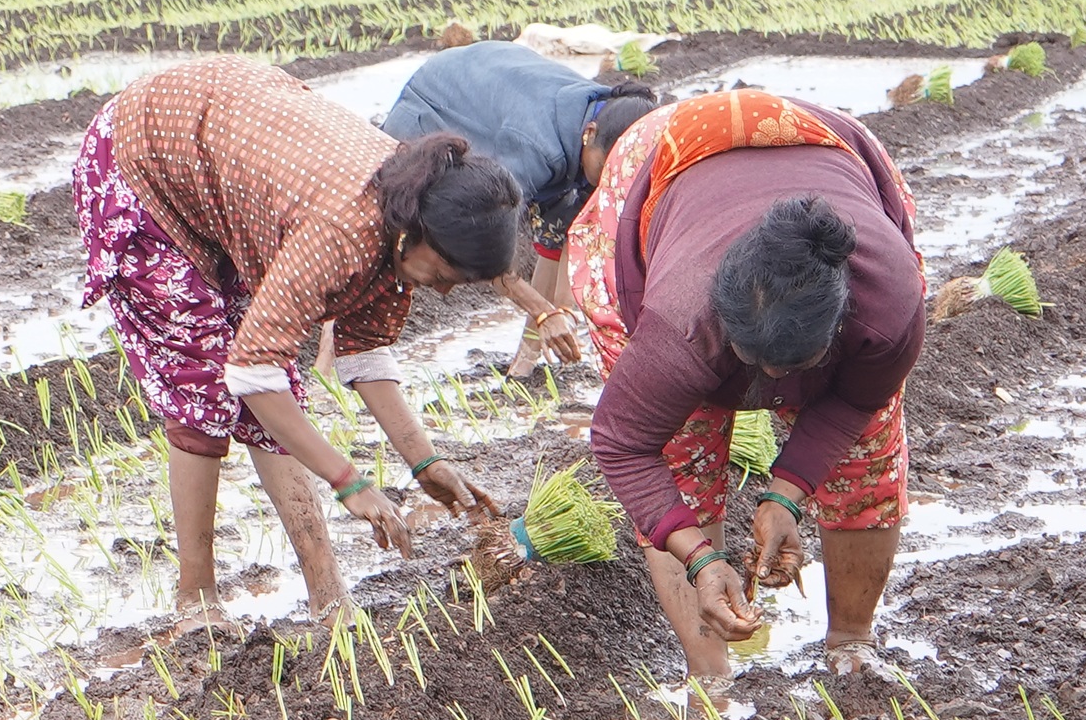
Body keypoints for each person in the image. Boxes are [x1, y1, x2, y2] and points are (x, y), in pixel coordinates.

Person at [76, 56, 520, 625]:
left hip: (228, 152)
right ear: (418, 233)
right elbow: (252, 375)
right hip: (141, 158)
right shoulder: (343, 232)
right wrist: (348, 480)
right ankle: (197, 600)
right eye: (446, 275)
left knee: (271, 382)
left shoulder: (406, 223)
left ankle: (328, 596)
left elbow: (364, 352)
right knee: (205, 391)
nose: (446, 293)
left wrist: (424, 462)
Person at [565, 89, 922, 686]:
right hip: (659, 167)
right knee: (686, 455)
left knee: (866, 458)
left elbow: (858, 401)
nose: (774, 385)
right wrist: (701, 559)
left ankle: (851, 644)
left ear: (840, 324)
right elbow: (624, 443)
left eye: (792, 367)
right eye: (753, 361)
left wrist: (786, 493)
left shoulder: (888, 304)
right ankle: (712, 674)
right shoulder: (681, 317)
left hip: (818, 142)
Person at [383, 39, 658, 377]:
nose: (607, 181)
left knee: (557, 226)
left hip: (495, 90)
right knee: (389, 237)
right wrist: (543, 312)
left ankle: (525, 363)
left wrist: (564, 312)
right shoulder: (538, 151)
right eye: (604, 171)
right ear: (588, 134)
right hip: (437, 103)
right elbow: (482, 239)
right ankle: (330, 355)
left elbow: (567, 239)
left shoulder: (606, 119)